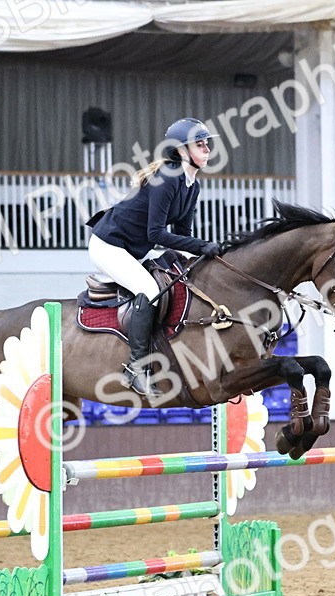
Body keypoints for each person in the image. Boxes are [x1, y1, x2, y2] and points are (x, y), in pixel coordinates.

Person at [88, 117, 222, 397]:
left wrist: (208, 255)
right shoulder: (168, 178)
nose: (207, 149)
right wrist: (201, 246)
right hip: (108, 245)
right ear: (182, 151)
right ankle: (135, 369)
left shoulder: (191, 185)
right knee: (149, 290)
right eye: (200, 144)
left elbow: (183, 233)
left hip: (133, 249)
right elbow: (156, 233)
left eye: (207, 143)